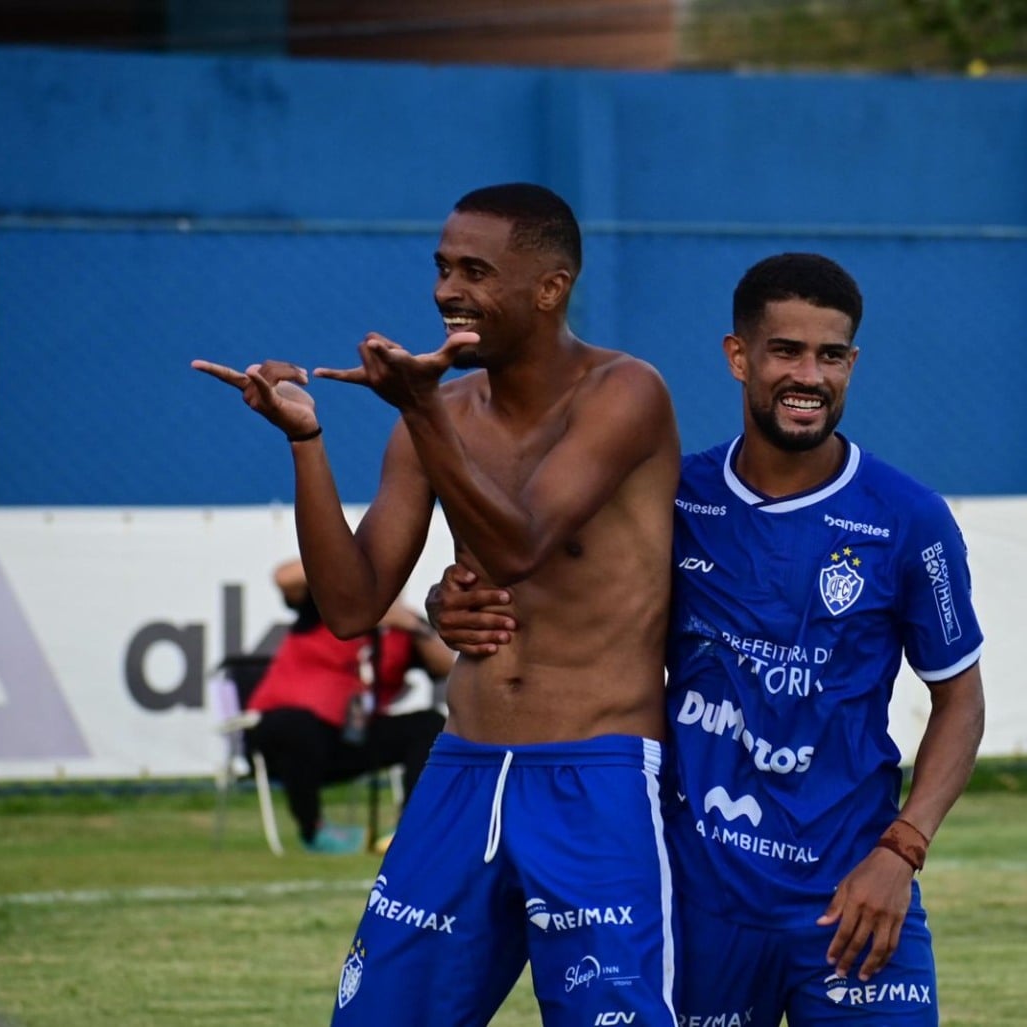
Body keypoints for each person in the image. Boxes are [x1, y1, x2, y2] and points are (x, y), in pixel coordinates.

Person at [430, 253, 987, 1026]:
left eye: (831, 356)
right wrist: (447, 601)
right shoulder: (673, 498)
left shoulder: (909, 519)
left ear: (852, 364)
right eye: (786, 351)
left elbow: (960, 698)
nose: (809, 376)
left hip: (852, 892)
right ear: (739, 357)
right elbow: (556, 597)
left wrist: (902, 850)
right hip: (697, 902)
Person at [192, 182, 682, 1027]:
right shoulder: (442, 409)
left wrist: (421, 411)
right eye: (443, 267)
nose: (447, 290)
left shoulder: (624, 391)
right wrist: (308, 441)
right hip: (463, 767)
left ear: (550, 286)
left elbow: (522, 542)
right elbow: (349, 604)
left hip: (595, 775)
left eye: (476, 270)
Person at [243, 557, 451, 854]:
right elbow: (283, 577)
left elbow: (445, 666)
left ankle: (410, 827)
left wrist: (413, 625)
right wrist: (351, 557)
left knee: (430, 724)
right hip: (287, 738)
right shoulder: (325, 605)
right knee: (295, 725)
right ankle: (313, 829)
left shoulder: (403, 628)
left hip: (350, 737)